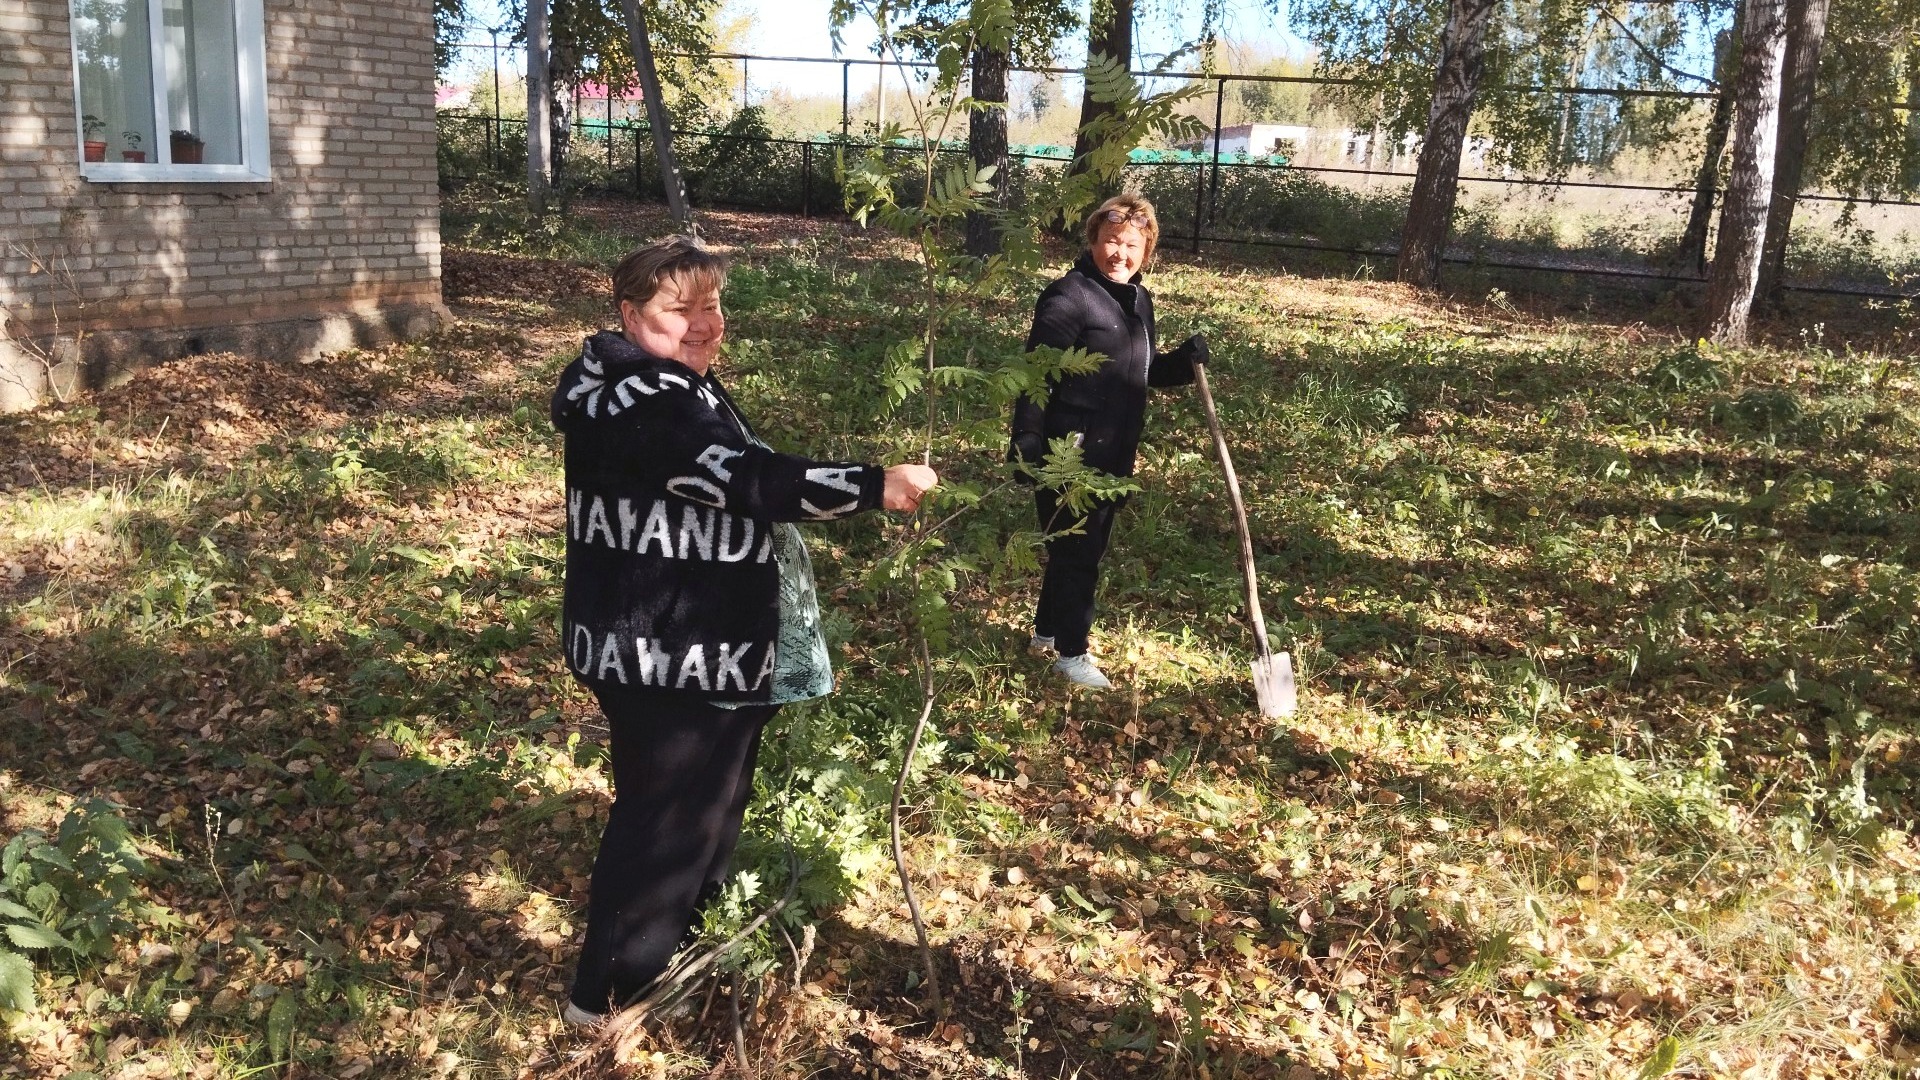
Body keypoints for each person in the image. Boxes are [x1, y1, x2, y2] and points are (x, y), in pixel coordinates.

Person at [550, 235, 937, 1023]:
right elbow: (745, 480)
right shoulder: (644, 399)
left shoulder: (668, 380)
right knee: (662, 824)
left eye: (712, 305)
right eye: (677, 309)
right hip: (664, 651)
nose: (702, 323)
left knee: (709, 813)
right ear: (629, 315)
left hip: (705, 643)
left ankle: (674, 951)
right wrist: (874, 485)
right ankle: (607, 997)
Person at [1008, 194, 1208, 690]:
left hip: (1115, 443)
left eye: (1132, 244)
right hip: (1068, 447)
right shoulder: (1068, 297)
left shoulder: (1139, 299)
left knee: (1079, 546)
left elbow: (1135, 372)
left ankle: (1049, 633)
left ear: (1147, 250)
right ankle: (1073, 654)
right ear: (1093, 240)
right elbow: (1036, 373)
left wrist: (1181, 364)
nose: (1120, 253)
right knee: (1078, 548)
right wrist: (1027, 436)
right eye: (1111, 241)